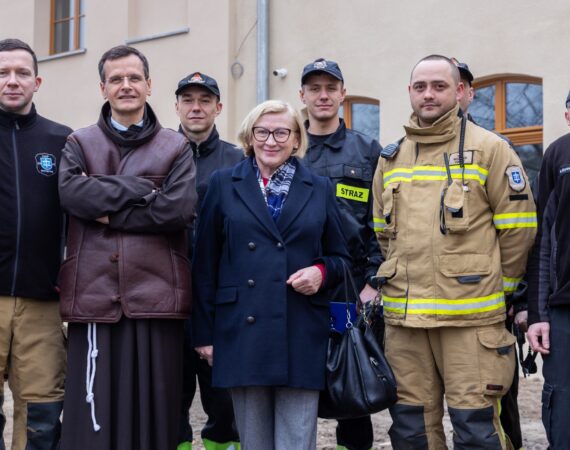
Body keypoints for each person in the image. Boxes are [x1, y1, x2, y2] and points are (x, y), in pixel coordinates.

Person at [373, 55, 536, 449]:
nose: (428, 94)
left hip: (472, 321)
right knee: (410, 431)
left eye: (439, 86)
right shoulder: (391, 157)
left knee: (476, 429)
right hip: (406, 324)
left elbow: (518, 229)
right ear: (410, 92)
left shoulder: (490, 149)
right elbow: (382, 233)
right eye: (420, 87)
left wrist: (501, 290)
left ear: (460, 91)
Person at [58, 45, 197, 450]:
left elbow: (178, 210)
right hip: (94, 295)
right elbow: (72, 195)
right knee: (93, 418)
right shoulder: (78, 142)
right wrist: (142, 190)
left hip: (156, 295)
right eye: (116, 79)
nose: (126, 86)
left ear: (149, 85)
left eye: (134, 78)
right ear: (103, 88)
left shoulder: (175, 146)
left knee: (155, 416)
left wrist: (108, 209)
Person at [192, 100, 351, 450]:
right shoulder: (223, 184)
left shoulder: (319, 187)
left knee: (296, 441)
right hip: (241, 332)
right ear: (250, 137)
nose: (271, 140)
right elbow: (204, 265)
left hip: (300, 329)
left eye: (282, 132)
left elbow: (341, 258)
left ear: (296, 139)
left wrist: (321, 272)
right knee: (255, 442)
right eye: (262, 132)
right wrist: (204, 335)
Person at [299, 57, 383, 450]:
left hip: (348, 290)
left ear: (343, 94)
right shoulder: (288, 145)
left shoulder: (368, 151)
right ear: (302, 96)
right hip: (297, 286)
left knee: (350, 380)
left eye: (330, 88)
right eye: (314, 88)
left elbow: (380, 222)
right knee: (299, 380)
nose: (323, 95)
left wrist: (373, 282)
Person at [0, 38, 70, 450]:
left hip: (42, 304)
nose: (12, 81)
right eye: (3, 72)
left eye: (21, 73)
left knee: (42, 415)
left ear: (37, 81)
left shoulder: (62, 141)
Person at [454, 57, 526, 450]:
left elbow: (517, 227)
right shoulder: (411, 150)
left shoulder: (496, 147)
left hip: (489, 301)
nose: (453, 92)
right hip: (440, 303)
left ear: (468, 92)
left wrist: (512, 293)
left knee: (498, 398)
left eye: (461, 85)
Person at [175, 72, 242, 450]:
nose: (196, 107)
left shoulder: (236, 160)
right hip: (167, 296)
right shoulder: (159, 153)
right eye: (188, 100)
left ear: (218, 107)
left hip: (221, 301)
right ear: (177, 106)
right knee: (171, 398)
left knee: (224, 403)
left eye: (205, 100)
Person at [527, 90, 570, 449]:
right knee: (562, 407)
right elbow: (540, 240)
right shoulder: (557, 155)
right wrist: (539, 313)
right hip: (564, 307)